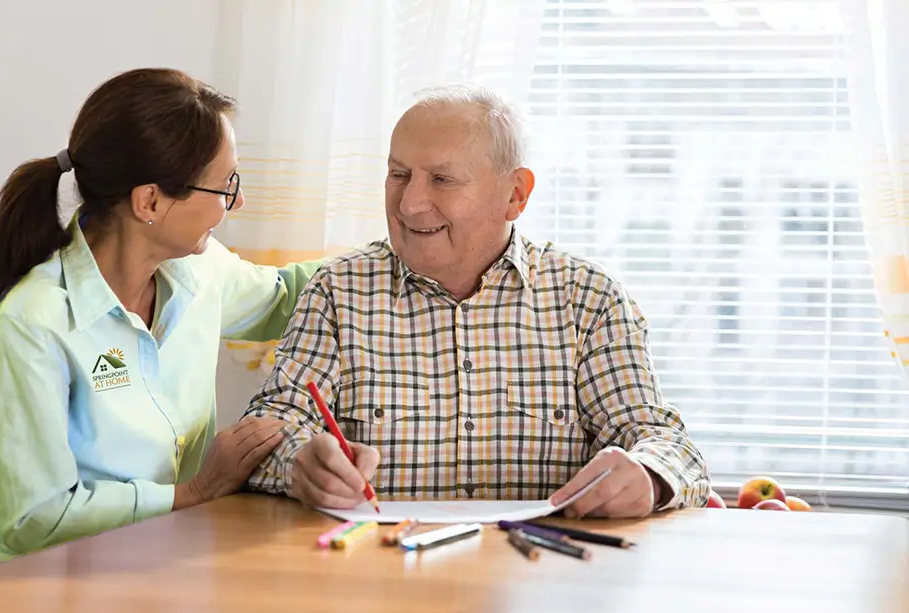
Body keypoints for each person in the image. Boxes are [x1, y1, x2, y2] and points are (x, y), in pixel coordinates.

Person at [245, 83, 710, 518]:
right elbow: (268, 432)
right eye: (399, 175)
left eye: (442, 180)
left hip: (539, 581)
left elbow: (664, 442)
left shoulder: (589, 301)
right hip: (376, 577)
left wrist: (648, 475)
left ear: (515, 195)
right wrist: (298, 463)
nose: (409, 203)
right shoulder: (336, 291)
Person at [0, 68, 321, 574]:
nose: (234, 202)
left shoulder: (197, 269)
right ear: (150, 201)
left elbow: (287, 297)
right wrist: (194, 492)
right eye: (223, 186)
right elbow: (36, 516)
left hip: (151, 570)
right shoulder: (29, 324)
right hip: (24, 595)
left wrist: (398, 246)